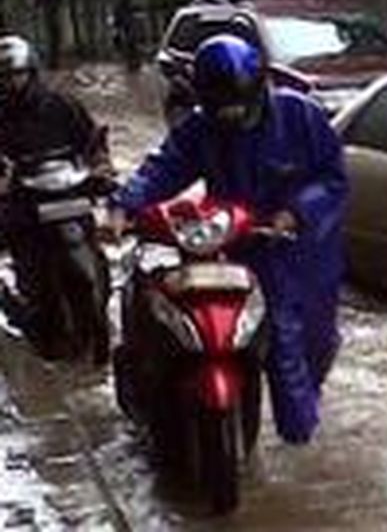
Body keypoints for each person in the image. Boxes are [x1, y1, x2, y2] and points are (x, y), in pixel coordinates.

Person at [105, 34, 347, 445]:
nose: (233, 118)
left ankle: (301, 435)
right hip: (238, 248)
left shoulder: (300, 116)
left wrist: (297, 211)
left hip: (303, 253)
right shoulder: (200, 128)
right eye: (223, 110)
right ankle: (285, 431)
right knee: (260, 341)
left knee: (308, 344)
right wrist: (123, 206)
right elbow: (163, 167)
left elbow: (332, 177)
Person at [0, 35, 112, 351]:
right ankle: (28, 312)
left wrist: (101, 170)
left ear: (32, 71)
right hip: (23, 205)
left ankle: (101, 301)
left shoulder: (62, 105)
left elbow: (94, 146)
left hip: (69, 200)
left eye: (17, 74)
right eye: (5, 77)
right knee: (27, 264)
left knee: (96, 254)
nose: (12, 82)